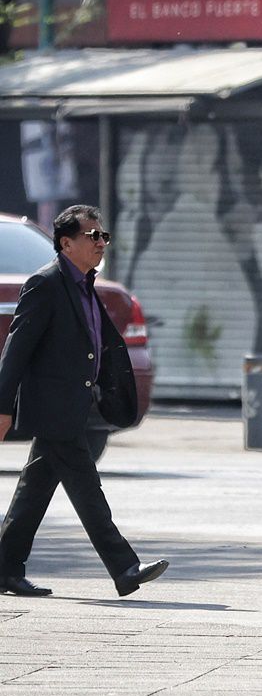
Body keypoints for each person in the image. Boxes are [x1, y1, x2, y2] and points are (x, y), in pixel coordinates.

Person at [0, 205, 168, 598]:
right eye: (92, 235)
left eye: (102, 235)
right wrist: (2, 407)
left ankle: (6, 567)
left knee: (35, 490)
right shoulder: (45, 285)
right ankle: (124, 567)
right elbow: (16, 351)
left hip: (73, 403)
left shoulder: (85, 285)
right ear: (66, 243)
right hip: (52, 406)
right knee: (86, 487)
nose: (100, 242)